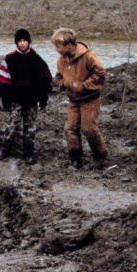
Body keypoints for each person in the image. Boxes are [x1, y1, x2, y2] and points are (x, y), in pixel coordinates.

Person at [52, 28, 107, 169]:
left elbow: (100, 73)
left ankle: (100, 155)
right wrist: (63, 83)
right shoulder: (61, 60)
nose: (56, 49)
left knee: (88, 128)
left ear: (69, 45)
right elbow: (58, 76)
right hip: (73, 99)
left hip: (90, 98)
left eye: (59, 46)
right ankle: (75, 158)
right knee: (70, 128)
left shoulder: (88, 57)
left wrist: (84, 86)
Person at [0, 29, 52, 164]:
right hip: (16, 99)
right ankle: (5, 149)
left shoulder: (37, 59)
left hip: (32, 99)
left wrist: (44, 96)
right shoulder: (9, 58)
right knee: (12, 125)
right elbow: (3, 80)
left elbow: (46, 79)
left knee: (30, 127)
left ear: (29, 42)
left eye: (24, 41)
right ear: (16, 42)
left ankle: (29, 153)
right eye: (19, 41)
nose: (22, 43)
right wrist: (5, 97)